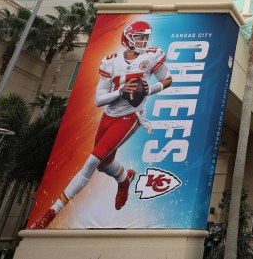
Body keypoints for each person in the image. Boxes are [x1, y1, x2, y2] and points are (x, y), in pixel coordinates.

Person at [30, 21, 173, 229]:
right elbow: (99, 100)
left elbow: (168, 79)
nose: (144, 41)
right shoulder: (111, 62)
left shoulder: (152, 56)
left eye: (145, 37)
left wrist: (148, 91)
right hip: (109, 115)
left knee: (92, 162)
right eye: (140, 37)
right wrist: (122, 92)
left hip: (130, 117)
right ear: (128, 38)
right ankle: (124, 179)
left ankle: (51, 213)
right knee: (105, 163)